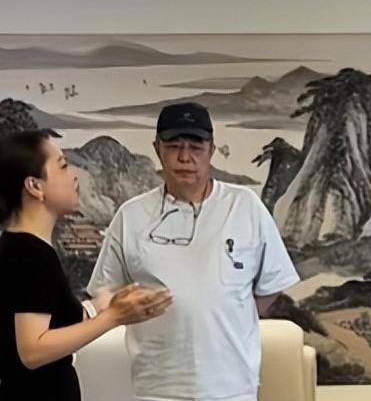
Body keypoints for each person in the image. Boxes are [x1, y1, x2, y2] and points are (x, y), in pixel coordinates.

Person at [88, 102, 300, 401]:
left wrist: (226, 316)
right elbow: (105, 291)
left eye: (196, 147)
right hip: (156, 388)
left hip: (232, 387)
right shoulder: (131, 215)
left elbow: (271, 286)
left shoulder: (245, 206)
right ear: (157, 149)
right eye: (174, 146)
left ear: (211, 150)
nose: (185, 157)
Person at [0, 128, 171, 401]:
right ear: (35, 186)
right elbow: (32, 351)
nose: (74, 175)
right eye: (63, 166)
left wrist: (98, 306)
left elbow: (52, 323)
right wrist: (113, 317)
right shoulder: (28, 254)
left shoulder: (27, 248)